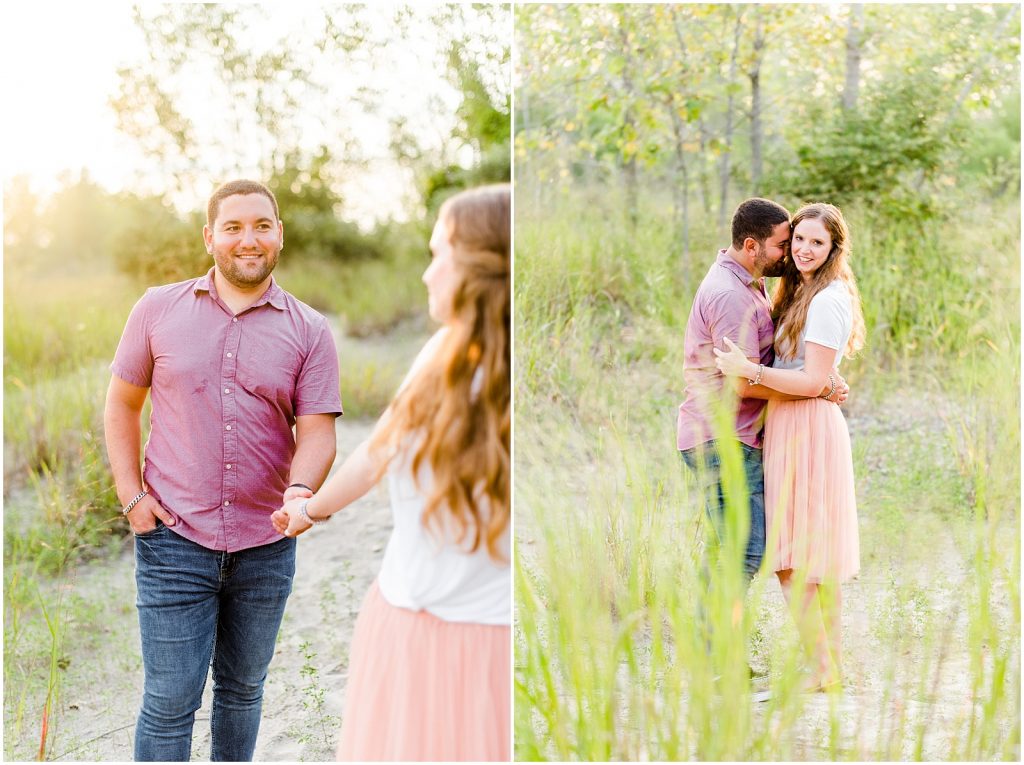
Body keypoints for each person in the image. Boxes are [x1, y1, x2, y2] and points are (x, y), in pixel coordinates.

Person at [104, 179, 343, 761]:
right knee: (168, 701)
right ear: (210, 236)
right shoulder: (156, 308)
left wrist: (301, 491)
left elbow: (317, 430)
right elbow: (121, 405)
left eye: (261, 225)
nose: (248, 239)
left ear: (279, 235)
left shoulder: (309, 329)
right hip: (173, 541)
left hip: (267, 543)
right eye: (233, 227)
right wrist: (132, 498)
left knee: (242, 693)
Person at [272, 183, 511, 761]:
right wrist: (309, 505)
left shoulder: (467, 368)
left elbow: (375, 456)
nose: (428, 275)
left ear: (477, 267)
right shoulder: (448, 359)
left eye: (438, 255)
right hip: (448, 628)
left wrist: (309, 508)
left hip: (451, 632)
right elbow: (373, 457)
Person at [676, 198, 847, 673]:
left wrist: (824, 380)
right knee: (743, 549)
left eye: (811, 242)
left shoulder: (751, 286)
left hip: (740, 434)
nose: (790, 254)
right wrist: (820, 386)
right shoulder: (733, 295)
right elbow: (745, 382)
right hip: (724, 436)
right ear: (752, 247)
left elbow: (781, 367)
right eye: (784, 244)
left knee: (735, 548)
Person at [714, 201, 864, 692]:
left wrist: (750, 372)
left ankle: (825, 670)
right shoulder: (802, 294)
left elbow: (813, 378)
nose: (802, 249)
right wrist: (817, 382)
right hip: (792, 424)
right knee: (808, 560)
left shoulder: (826, 300)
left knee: (793, 561)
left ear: (833, 249)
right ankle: (830, 668)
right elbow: (815, 376)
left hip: (807, 429)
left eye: (816, 242)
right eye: (798, 239)